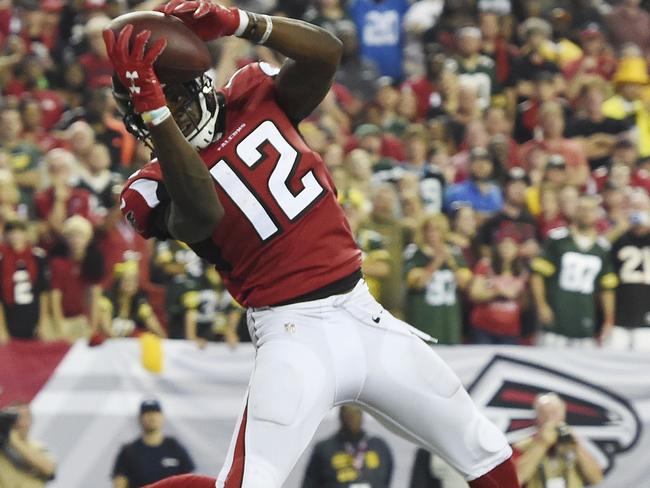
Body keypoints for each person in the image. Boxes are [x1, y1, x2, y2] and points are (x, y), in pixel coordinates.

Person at [108, 2, 520, 487]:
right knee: (251, 482)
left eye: (170, 101)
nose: (165, 118)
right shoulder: (149, 187)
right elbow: (202, 212)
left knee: (483, 447)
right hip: (292, 333)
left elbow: (327, 54)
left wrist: (242, 22)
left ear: (197, 86)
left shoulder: (251, 92)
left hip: (362, 313)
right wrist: (158, 108)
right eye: (150, 108)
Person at [531, 196, 618, 347]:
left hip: (584, 319)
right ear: (575, 211)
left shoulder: (602, 248)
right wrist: (542, 305)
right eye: (582, 209)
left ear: (597, 214)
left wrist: (609, 319)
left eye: (590, 210)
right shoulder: (558, 239)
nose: (585, 213)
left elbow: (607, 288)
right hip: (555, 318)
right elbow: (538, 275)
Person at [405, 214, 471, 344]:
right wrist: (436, 262)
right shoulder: (414, 253)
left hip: (449, 319)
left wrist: (452, 263)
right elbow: (418, 283)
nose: (433, 234)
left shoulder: (454, 253)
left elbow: (464, 284)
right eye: (429, 230)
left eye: (437, 229)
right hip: (424, 318)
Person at [513, 393, 604, 488]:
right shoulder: (522, 446)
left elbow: (597, 479)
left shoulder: (573, 444)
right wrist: (541, 444)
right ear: (537, 417)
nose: (549, 419)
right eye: (544, 414)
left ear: (563, 415)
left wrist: (576, 446)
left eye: (554, 413)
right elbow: (516, 479)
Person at [302, 405, 393, 488]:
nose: (353, 418)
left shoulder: (379, 446)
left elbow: (387, 478)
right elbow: (310, 483)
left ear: (362, 414)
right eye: (348, 413)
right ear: (341, 414)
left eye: (356, 413)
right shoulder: (325, 448)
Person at [112, 399, 195, 488]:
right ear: (139, 418)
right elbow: (120, 482)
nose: (152, 417)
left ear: (162, 417)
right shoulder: (128, 451)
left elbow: (189, 481)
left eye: (155, 413)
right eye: (147, 413)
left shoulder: (175, 448)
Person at [609, 192, 650, 350]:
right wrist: (620, 227)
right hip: (619, 316)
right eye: (634, 208)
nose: (638, 213)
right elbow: (598, 249)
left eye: (642, 208)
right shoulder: (619, 238)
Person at [0, 219, 51, 344]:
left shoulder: (37, 257)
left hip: (32, 314)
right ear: (6, 236)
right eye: (11, 232)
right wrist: (2, 329)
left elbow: (43, 292)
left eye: (19, 232)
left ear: (26, 234)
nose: (15, 236)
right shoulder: (2, 259)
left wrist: (42, 323)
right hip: (10, 315)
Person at [0, 402, 56, 488]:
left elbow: (49, 469)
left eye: (25, 418)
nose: (21, 423)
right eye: (16, 418)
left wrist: (13, 440)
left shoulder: (37, 447)